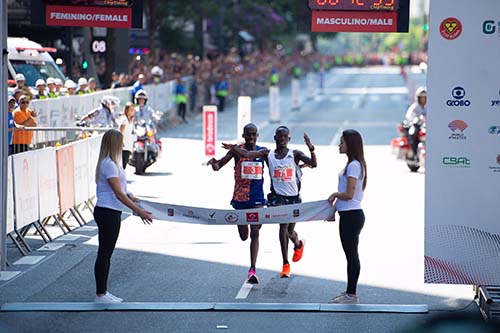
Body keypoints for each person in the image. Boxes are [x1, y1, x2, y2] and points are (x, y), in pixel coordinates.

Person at [223, 126, 317, 278]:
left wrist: (311, 148)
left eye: (285, 137)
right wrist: (234, 148)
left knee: (290, 231)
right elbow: (247, 153)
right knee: (283, 226)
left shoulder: (295, 154)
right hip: (277, 198)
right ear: (275, 138)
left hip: (293, 198)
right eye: (279, 137)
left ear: (289, 139)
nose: (282, 140)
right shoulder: (269, 154)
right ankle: (285, 264)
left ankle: (298, 243)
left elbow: (314, 164)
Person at [93, 129, 154, 303]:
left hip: (110, 210)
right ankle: (100, 294)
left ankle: (103, 292)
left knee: (107, 252)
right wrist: (139, 211)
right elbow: (118, 194)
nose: (123, 145)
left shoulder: (112, 163)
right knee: (104, 253)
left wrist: (130, 194)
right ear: (114, 143)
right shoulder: (109, 164)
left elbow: (122, 190)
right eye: (120, 142)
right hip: (107, 211)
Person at [207, 123, 267, 284]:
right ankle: (251, 266)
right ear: (244, 135)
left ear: (257, 136)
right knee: (244, 236)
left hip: (257, 198)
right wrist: (214, 163)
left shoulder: (262, 152)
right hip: (240, 199)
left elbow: (276, 168)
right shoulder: (236, 151)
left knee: (255, 231)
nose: (251, 137)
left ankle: (252, 269)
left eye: (254, 134)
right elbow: (219, 166)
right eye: (248, 134)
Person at [327, 129, 367, 304]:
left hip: (352, 216)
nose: (339, 145)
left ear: (349, 145)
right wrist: (334, 210)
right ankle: (350, 293)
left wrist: (335, 194)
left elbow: (349, 194)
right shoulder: (354, 164)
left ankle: (351, 294)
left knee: (351, 255)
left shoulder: (354, 166)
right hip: (349, 215)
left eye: (341, 142)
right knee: (350, 254)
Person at [404, 87, 426, 157]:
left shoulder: (428, 107)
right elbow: (409, 116)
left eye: (424, 97)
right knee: (412, 133)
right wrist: (415, 119)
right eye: (421, 97)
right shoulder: (414, 107)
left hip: (425, 126)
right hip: (417, 126)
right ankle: (415, 153)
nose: (423, 99)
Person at [119, 102, 135, 169]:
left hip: (128, 145)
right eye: (130, 110)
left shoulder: (131, 120)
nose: (132, 111)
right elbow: (120, 132)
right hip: (124, 145)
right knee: (123, 164)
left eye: (133, 110)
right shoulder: (124, 119)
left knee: (125, 163)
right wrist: (121, 142)